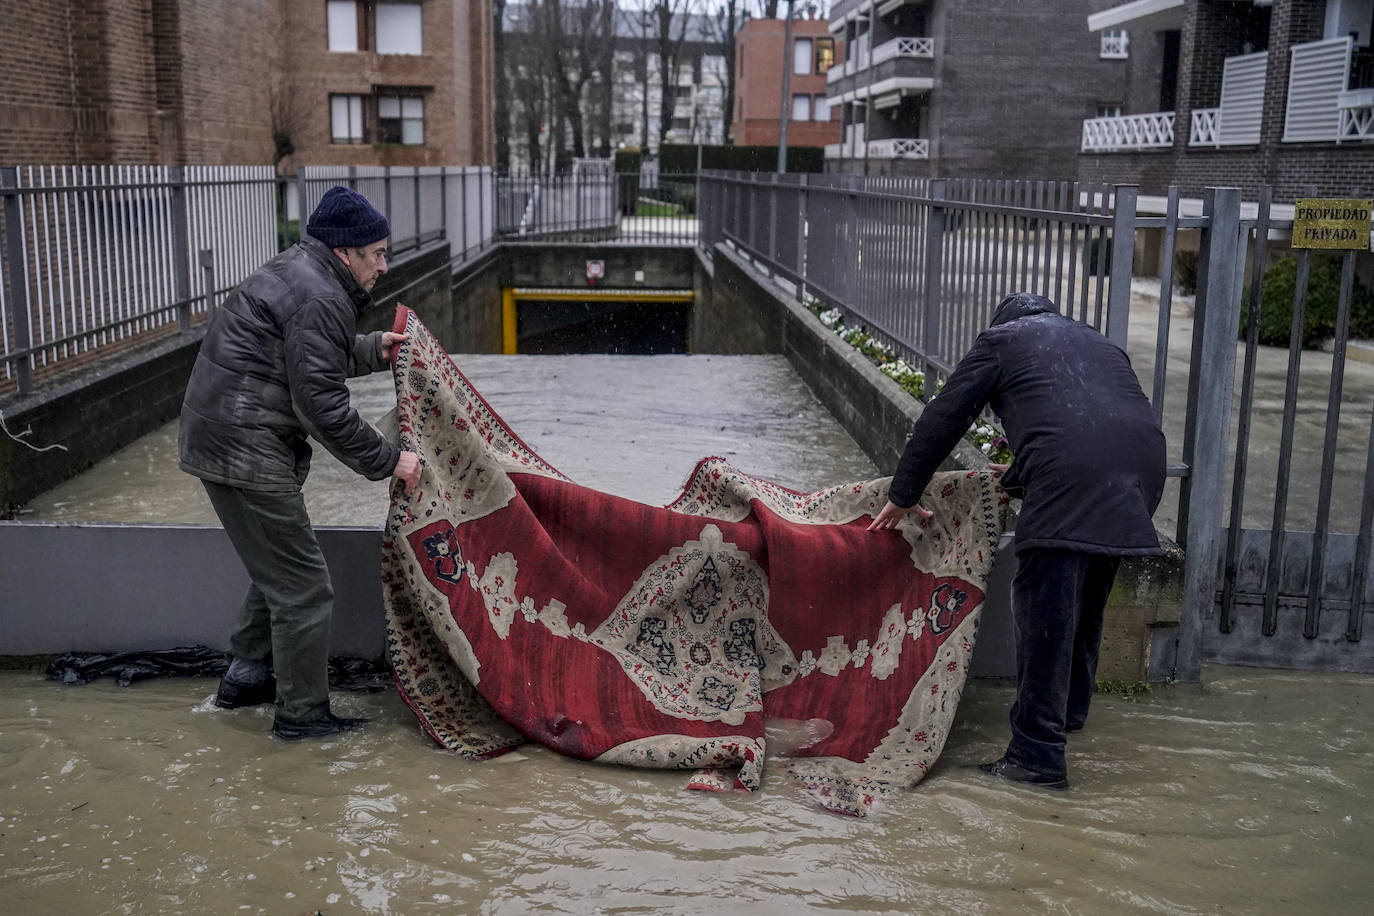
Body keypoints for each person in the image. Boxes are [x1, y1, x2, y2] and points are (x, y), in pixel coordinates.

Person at [868, 292, 1166, 789]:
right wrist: (1018, 477)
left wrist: (903, 493)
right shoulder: (1100, 345)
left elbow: (943, 418)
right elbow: (1080, 425)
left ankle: (1036, 756)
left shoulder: (1001, 341)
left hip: (1077, 479)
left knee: (1044, 610)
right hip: (1139, 478)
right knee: (1085, 600)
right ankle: (1068, 716)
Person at [179, 186, 422, 741]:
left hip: (221, 436)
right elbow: (321, 406)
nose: (385, 265)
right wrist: (390, 461)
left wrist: (371, 349)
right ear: (344, 252)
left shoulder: (303, 272)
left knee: (278, 568)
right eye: (376, 254)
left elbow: (304, 353)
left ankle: (245, 677)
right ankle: (302, 716)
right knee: (305, 588)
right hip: (245, 445)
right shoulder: (321, 296)